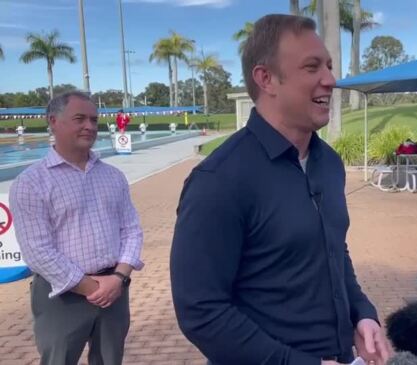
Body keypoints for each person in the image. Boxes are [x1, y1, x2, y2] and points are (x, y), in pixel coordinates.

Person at [170, 14, 390, 365]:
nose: (330, 80)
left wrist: (362, 314)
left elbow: (333, 250)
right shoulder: (219, 181)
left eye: (330, 66)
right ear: (266, 78)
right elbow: (202, 312)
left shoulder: (329, 164)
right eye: (312, 67)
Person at [9, 91, 144, 365]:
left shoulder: (112, 176)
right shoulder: (31, 183)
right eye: (80, 118)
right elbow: (38, 252)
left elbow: (132, 230)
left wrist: (118, 279)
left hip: (114, 290)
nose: (90, 126)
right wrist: (92, 287)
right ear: (53, 121)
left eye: (94, 120)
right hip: (61, 296)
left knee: (109, 360)